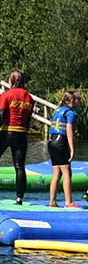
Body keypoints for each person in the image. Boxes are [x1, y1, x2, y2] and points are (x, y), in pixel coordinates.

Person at [0, 69, 34, 205]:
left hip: (6, 132)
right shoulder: (29, 97)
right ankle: (19, 198)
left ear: (12, 81)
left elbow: (1, 114)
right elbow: (28, 119)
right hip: (21, 133)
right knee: (19, 167)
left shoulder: (7, 95)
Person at [48, 91, 81, 208]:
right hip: (61, 142)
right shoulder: (70, 113)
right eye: (77, 100)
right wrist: (72, 149)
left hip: (51, 142)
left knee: (56, 173)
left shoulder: (58, 110)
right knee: (67, 173)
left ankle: (52, 202)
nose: (79, 102)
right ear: (71, 101)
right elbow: (69, 130)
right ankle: (69, 202)